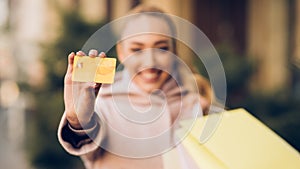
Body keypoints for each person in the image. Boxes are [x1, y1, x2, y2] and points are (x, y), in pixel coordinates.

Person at [58, 5, 213, 169]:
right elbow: (84, 138)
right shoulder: (103, 104)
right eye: (137, 49)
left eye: (161, 48)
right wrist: (78, 122)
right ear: (121, 52)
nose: (150, 62)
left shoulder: (197, 106)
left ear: (174, 52)